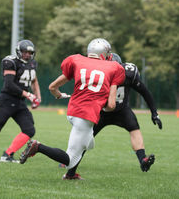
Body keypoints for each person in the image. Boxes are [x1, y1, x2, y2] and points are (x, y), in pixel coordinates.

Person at [19, 38, 125, 180]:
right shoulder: (114, 68)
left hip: (73, 111)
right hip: (86, 116)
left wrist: (58, 95)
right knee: (68, 160)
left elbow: (52, 87)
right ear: (104, 53)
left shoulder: (77, 60)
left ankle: (70, 175)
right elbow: (111, 106)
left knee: (88, 143)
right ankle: (38, 147)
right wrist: (100, 102)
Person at [62, 53, 162, 177]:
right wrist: (154, 112)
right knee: (84, 139)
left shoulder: (110, 73)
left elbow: (144, 91)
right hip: (104, 112)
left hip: (119, 110)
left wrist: (154, 112)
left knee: (134, 130)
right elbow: (145, 92)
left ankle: (143, 160)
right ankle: (70, 167)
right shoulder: (120, 73)